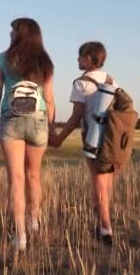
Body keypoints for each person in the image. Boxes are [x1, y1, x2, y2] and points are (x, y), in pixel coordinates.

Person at [0, 18, 56, 251]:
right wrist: (52, 127)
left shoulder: (3, 59)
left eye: (13, 29)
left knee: (16, 178)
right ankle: (34, 220)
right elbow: (49, 99)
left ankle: (20, 235)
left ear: (21, 33)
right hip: (38, 119)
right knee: (34, 176)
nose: (10, 32)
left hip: (12, 119)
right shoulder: (45, 62)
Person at [49, 41, 118, 245]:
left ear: (88, 58)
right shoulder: (112, 81)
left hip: (94, 138)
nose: (77, 60)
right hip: (113, 138)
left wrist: (59, 139)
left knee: (98, 179)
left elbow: (76, 116)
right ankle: (102, 219)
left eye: (79, 56)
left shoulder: (81, 83)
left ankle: (105, 227)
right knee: (107, 181)